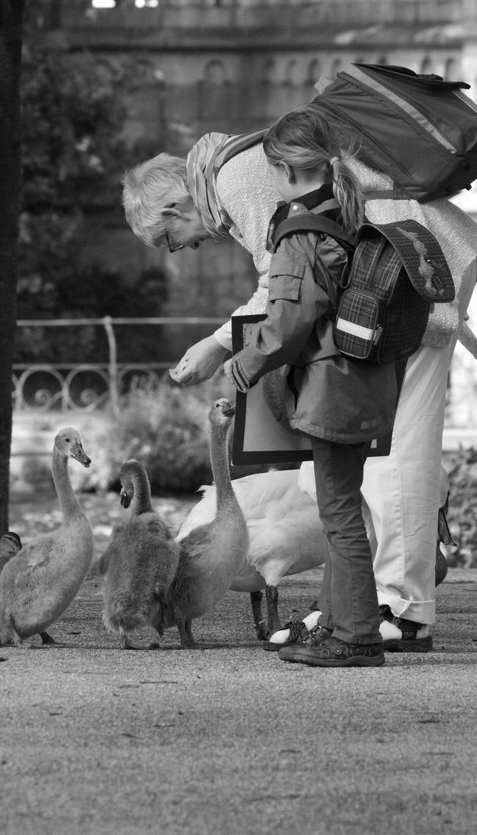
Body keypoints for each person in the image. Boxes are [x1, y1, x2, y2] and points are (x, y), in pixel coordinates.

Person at [122, 111, 477, 653]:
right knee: (374, 460)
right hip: (406, 278)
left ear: (174, 206)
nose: (186, 249)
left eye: (171, 239)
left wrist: (224, 350)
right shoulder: (233, 172)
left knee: (394, 453)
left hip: (405, 288)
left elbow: (289, 284)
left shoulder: (234, 178)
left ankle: (398, 609)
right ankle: (368, 605)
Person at [222, 107, 398, 666]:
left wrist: (244, 363)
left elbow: (290, 322)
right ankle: (343, 626)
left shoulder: (301, 231)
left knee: (340, 515)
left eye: (272, 171)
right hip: (366, 380)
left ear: (286, 168)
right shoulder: (351, 214)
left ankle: (356, 638)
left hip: (331, 389)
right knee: (342, 508)